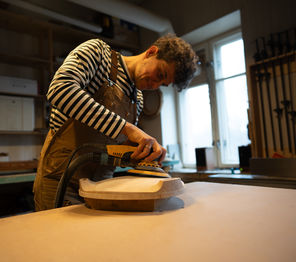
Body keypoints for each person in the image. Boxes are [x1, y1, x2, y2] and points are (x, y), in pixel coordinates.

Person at [33, 33, 198, 211]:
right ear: (151, 52)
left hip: (101, 189)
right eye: (160, 73)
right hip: (61, 181)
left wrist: (142, 153)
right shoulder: (97, 53)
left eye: (162, 83)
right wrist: (129, 129)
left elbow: (108, 146)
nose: (155, 84)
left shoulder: (138, 98)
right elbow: (60, 89)